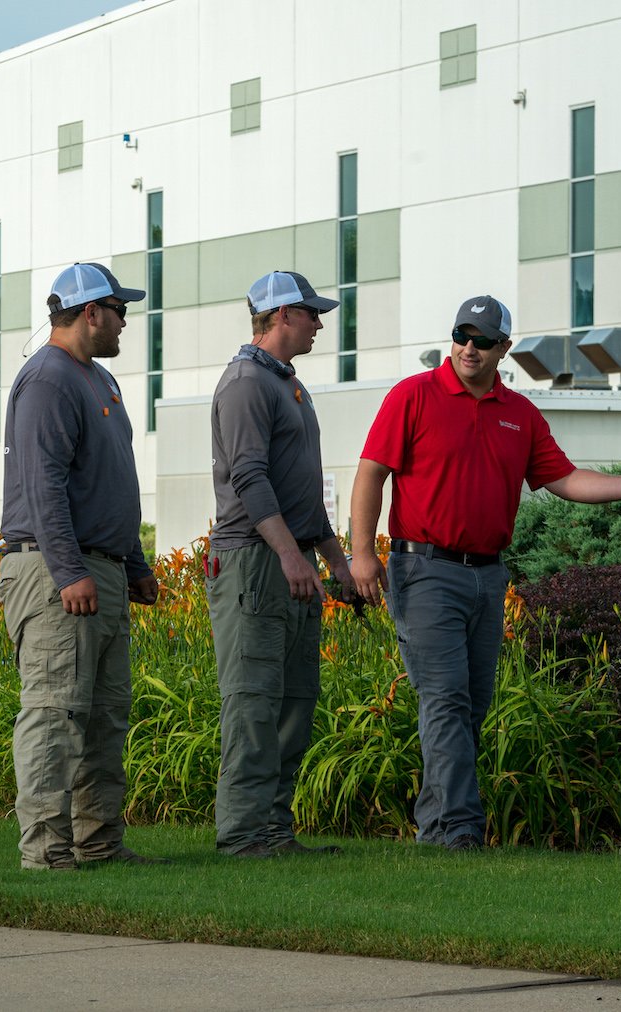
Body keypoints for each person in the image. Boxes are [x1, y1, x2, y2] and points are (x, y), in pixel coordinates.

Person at [349, 295, 621, 850]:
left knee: (471, 703)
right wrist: (363, 554)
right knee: (445, 700)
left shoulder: (519, 413)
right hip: (424, 568)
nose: (468, 347)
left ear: (503, 348)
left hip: (487, 576)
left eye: (482, 340)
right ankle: (460, 831)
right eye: (462, 334)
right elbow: (370, 475)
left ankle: (437, 830)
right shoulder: (413, 395)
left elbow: (564, 478)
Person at [0, 261, 164, 870]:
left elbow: (115, 483)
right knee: (56, 712)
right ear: (90, 311)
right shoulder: (47, 379)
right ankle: (46, 852)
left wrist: (136, 562)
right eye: (120, 310)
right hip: (54, 572)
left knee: (102, 716)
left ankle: (97, 844)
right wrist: (69, 572)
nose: (125, 322)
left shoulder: (102, 382)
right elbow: (43, 486)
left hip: (104, 568)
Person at [209, 270, 359, 858]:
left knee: (295, 699)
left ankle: (274, 830)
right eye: (310, 313)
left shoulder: (287, 383)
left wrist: (335, 562)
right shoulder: (246, 382)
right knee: (253, 701)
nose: (320, 322)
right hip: (254, 562)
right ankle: (244, 835)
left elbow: (303, 492)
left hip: (288, 561)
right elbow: (249, 478)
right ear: (279, 317)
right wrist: (292, 557)